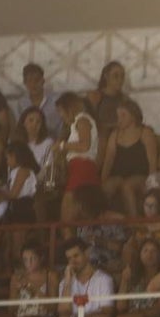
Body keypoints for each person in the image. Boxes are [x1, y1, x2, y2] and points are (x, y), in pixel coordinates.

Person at [100, 99, 157, 216]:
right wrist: (102, 179)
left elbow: (152, 161)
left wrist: (151, 182)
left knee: (127, 186)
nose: (119, 119)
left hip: (140, 175)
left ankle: (134, 221)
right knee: (107, 187)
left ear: (133, 116)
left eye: (123, 115)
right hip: (119, 175)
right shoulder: (115, 135)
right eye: (118, 116)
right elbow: (108, 160)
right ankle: (105, 220)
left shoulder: (145, 133)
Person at [55, 91, 100, 227]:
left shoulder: (82, 120)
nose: (61, 116)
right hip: (77, 168)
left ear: (68, 108)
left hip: (82, 168)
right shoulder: (76, 124)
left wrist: (62, 146)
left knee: (67, 215)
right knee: (79, 215)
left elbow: (84, 145)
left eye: (61, 111)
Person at [86, 60, 132, 148]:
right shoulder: (95, 96)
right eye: (116, 76)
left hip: (120, 137)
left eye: (122, 76)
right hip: (99, 138)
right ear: (106, 76)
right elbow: (88, 121)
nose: (120, 80)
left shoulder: (125, 100)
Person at [14, 62, 61, 138]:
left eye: (37, 80)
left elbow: (66, 124)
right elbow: (20, 128)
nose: (33, 84)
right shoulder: (21, 103)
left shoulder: (56, 100)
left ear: (43, 81)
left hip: (54, 141)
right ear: (24, 83)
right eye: (29, 81)